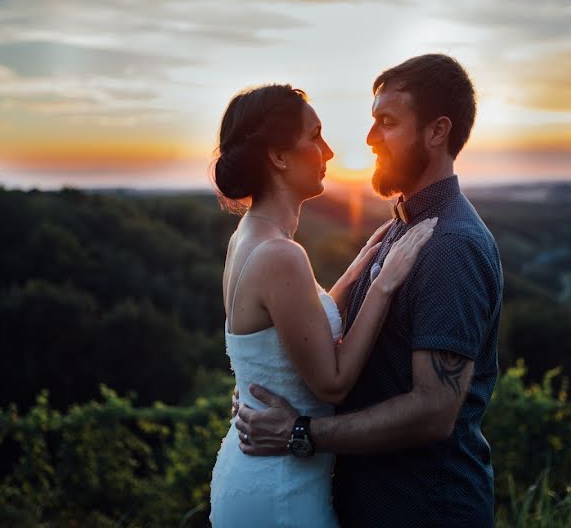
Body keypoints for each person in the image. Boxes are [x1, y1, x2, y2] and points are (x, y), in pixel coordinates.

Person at [235, 54, 503, 526]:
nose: (369, 138)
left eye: (387, 122)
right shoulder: (403, 229)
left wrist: (302, 432)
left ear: (437, 132)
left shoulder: (449, 246)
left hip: (423, 509)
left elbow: (433, 411)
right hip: (367, 504)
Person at [208, 83, 437, 527]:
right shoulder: (281, 255)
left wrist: (364, 261)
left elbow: (298, 327)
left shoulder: (249, 238)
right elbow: (331, 383)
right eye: (314, 136)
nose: (328, 151)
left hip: (259, 473)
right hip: (280, 490)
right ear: (278, 156)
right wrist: (384, 284)